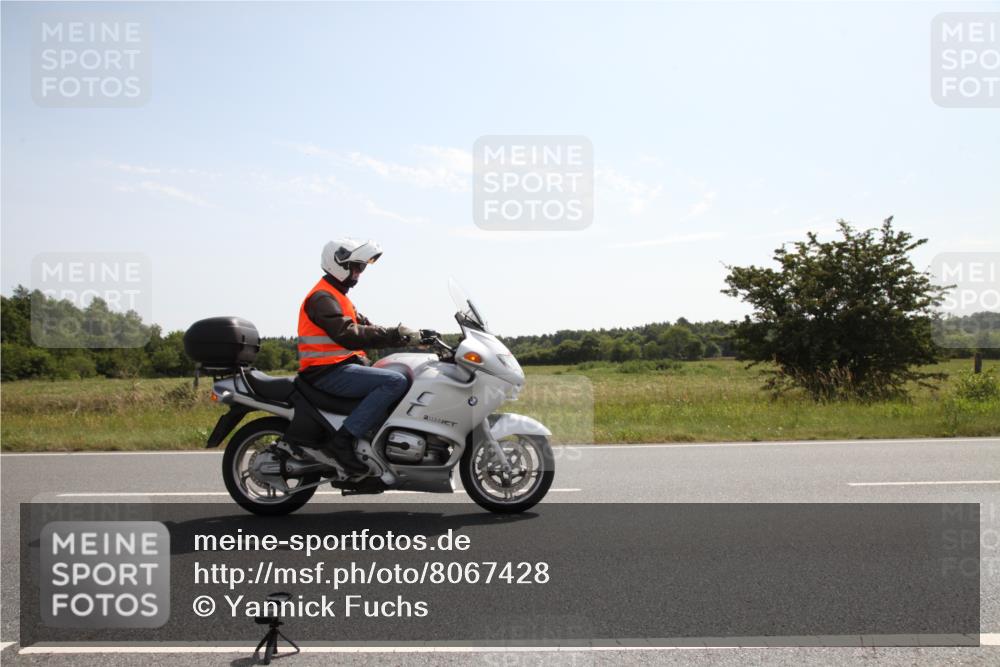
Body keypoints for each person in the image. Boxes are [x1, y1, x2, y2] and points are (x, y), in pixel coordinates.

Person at [294, 238, 418, 475]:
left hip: (337, 368)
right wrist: (393, 334)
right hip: (326, 371)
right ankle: (342, 442)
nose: (359, 273)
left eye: (361, 268)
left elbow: (367, 327)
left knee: (395, 370)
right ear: (338, 263)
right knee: (395, 381)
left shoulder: (338, 297)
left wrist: (408, 337)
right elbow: (349, 334)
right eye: (357, 267)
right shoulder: (322, 298)